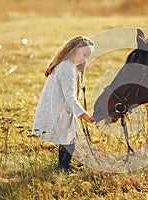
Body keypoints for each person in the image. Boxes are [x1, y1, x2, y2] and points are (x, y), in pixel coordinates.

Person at [32, 35, 95, 172]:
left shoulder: (64, 64)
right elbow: (70, 97)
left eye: (87, 57)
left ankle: (64, 165)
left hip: (59, 107)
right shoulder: (67, 68)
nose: (84, 59)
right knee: (70, 138)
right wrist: (83, 114)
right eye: (83, 55)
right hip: (61, 109)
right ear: (74, 50)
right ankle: (64, 166)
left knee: (68, 137)